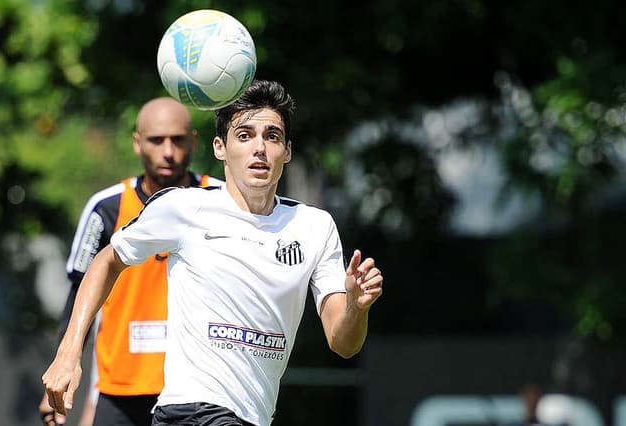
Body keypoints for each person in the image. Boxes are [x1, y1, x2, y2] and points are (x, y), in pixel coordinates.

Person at [41, 80, 384, 426]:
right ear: (220, 147)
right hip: (190, 412)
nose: (260, 148)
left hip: (253, 418)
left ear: (288, 151)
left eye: (272, 136)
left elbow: (344, 343)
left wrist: (356, 307)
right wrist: (68, 353)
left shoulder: (314, 226)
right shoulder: (184, 207)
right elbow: (107, 260)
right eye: (245, 135)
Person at [38, 96, 221, 426]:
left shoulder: (220, 200)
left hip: (198, 390)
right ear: (138, 144)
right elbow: (79, 292)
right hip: (120, 390)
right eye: (156, 140)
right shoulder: (106, 207)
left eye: (177, 140)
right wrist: (64, 364)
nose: (168, 151)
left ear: (193, 141)